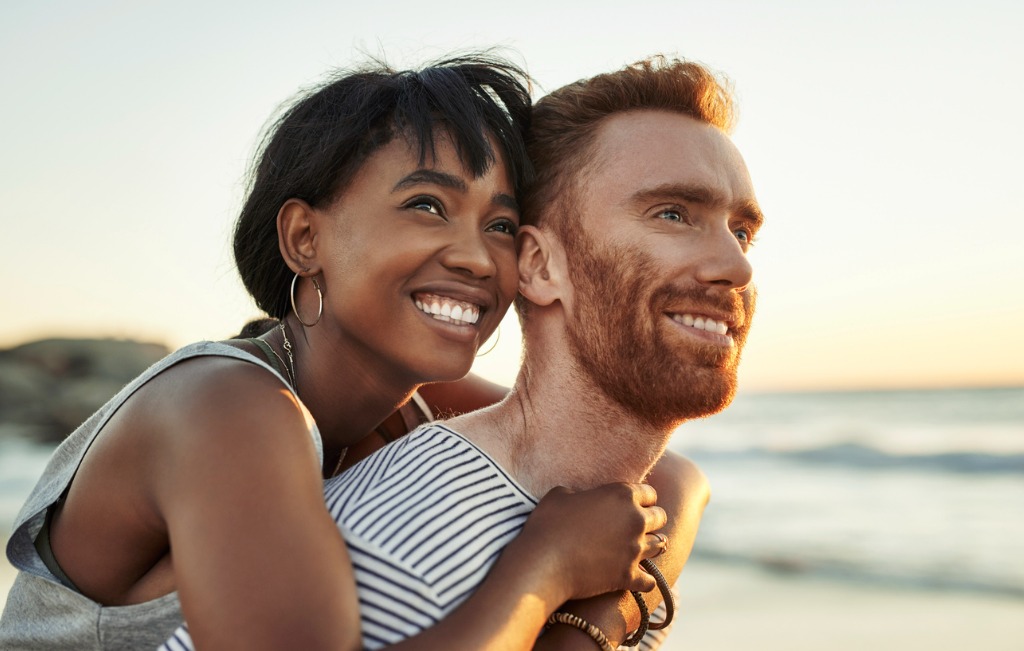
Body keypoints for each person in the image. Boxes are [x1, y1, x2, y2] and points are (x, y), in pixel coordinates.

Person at [0, 56, 674, 651]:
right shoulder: (229, 408)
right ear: (304, 238)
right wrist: (547, 568)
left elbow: (669, 477)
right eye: (427, 205)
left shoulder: (410, 401)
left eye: (499, 224)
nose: (476, 257)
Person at [304, 55, 760, 650]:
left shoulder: (612, 522)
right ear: (542, 266)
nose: (737, 266)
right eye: (673, 214)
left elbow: (681, 480)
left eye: (742, 231)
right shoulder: (422, 538)